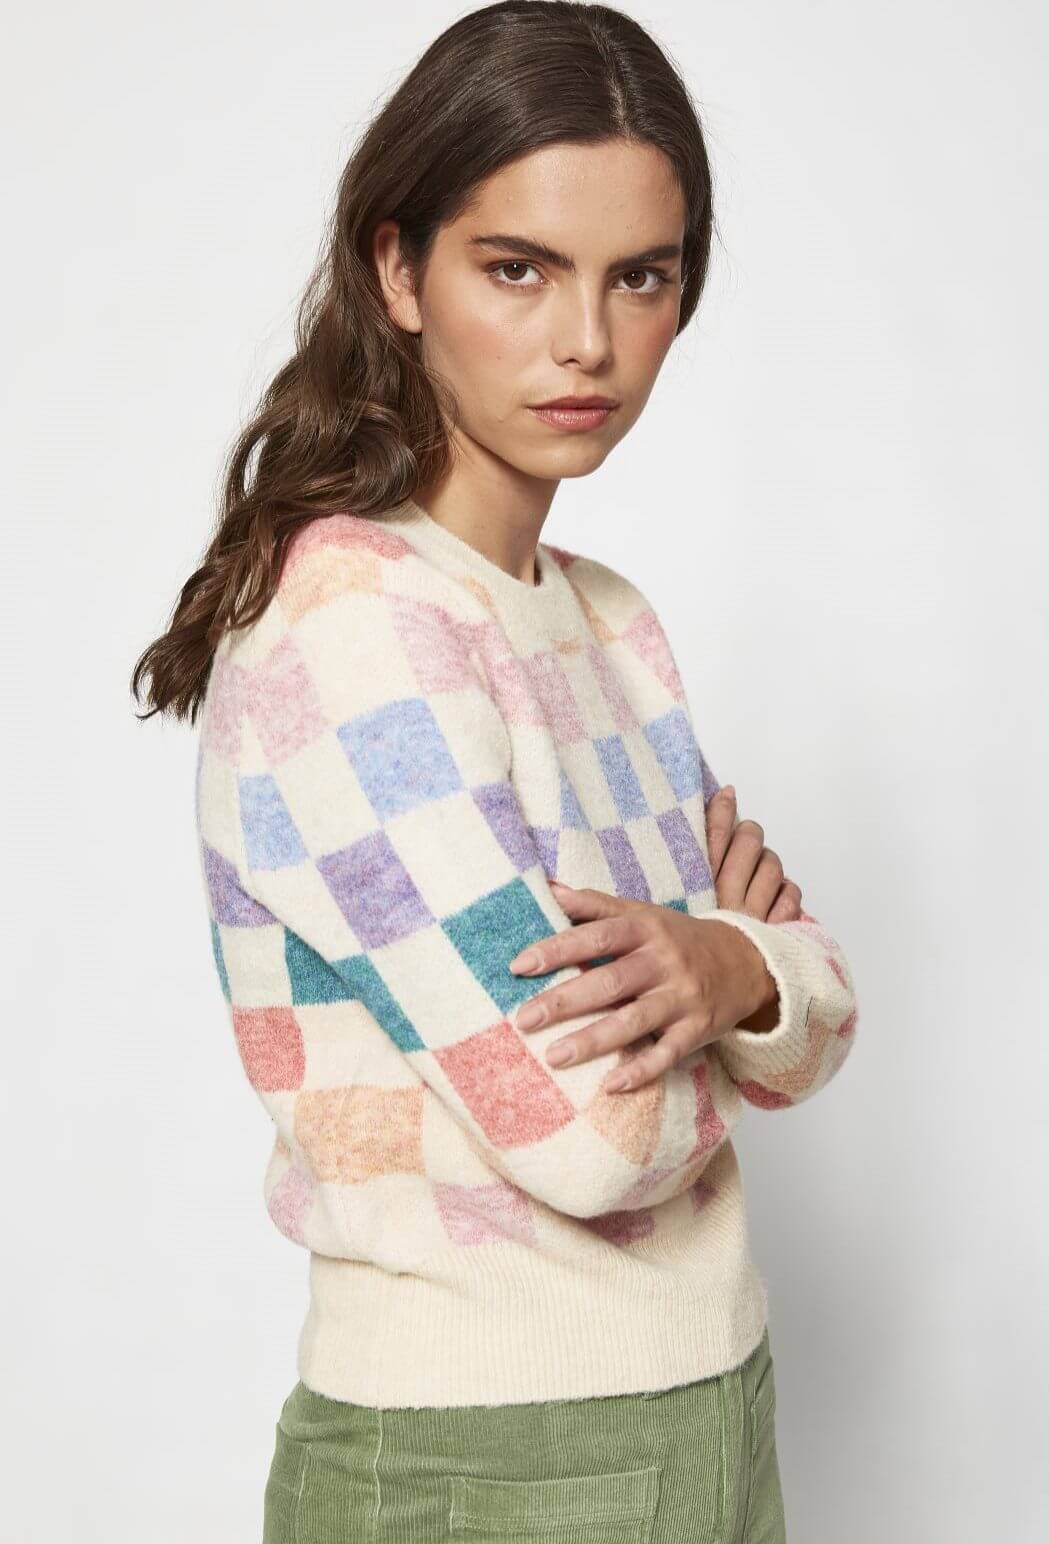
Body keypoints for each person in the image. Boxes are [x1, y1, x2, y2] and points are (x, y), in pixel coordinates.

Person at [131, 3, 859, 1539]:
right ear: (399, 271)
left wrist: (730, 968)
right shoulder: (355, 631)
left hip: (714, 1399)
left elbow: (804, 1035)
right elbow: (591, 1137)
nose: (587, 341)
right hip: (492, 1454)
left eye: (640, 275)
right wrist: (752, 971)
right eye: (517, 268)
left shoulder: (607, 621)